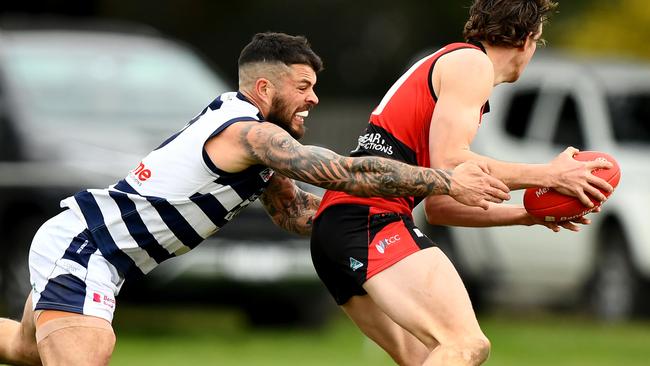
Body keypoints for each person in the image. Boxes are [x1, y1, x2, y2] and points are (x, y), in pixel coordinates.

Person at [0, 32, 510, 366]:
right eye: (304, 86)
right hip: (85, 249)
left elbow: (299, 214)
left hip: (97, 254)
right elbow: (347, 173)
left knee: (25, 348)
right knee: (92, 349)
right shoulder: (249, 134)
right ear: (265, 87)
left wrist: (363, 226)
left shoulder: (254, 150)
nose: (313, 99)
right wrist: (443, 180)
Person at [310, 1, 614, 365]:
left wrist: (526, 216)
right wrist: (550, 174)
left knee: (425, 356)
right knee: (466, 344)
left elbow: (440, 205)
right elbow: (451, 162)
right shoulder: (473, 65)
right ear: (528, 39)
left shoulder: (456, 65)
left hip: (338, 225)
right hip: (369, 217)